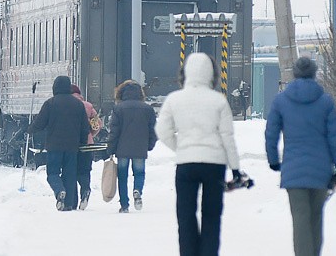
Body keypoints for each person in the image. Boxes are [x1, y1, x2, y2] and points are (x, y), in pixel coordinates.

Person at [156, 53, 243, 256]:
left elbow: (162, 131)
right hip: (215, 165)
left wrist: (181, 148)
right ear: (212, 73)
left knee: (185, 215)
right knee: (212, 216)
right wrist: (236, 169)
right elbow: (227, 137)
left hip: (186, 164)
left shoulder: (174, 99)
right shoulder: (218, 101)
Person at [265, 56, 336, 256]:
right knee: (316, 218)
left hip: (293, 171)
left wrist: (274, 160)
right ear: (314, 73)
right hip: (321, 171)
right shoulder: (326, 101)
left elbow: (271, 133)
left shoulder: (281, 101)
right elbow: (335, 137)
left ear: (295, 74)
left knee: (300, 219)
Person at [28, 75, 91, 211]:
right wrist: (81, 142)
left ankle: (59, 191)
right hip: (72, 147)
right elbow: (85, 127)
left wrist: (30, 130)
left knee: (53, 173)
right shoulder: (78, 104)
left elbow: (40, 123)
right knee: (70, 175)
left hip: (54, 146)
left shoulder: (50, 103)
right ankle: (68, 204)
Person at [106, 80, 157, 213]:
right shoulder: (148, 109)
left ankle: (124, 205)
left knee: (122, 176)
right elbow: (153, 130)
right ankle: (137, 190)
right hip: (140, 146)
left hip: (122, 148)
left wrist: (110, 148)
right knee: (139, 173)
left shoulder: (118, 108)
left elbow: (114, 131)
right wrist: (150, 145)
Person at [70, 84, 101, 210]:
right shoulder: (88, 106)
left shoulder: (66, 105)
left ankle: (74, 199)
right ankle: (86, 190)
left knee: (71, 171)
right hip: (87, 145)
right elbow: (96, 125)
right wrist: (91, 136)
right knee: (84, 170)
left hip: (70, 144)